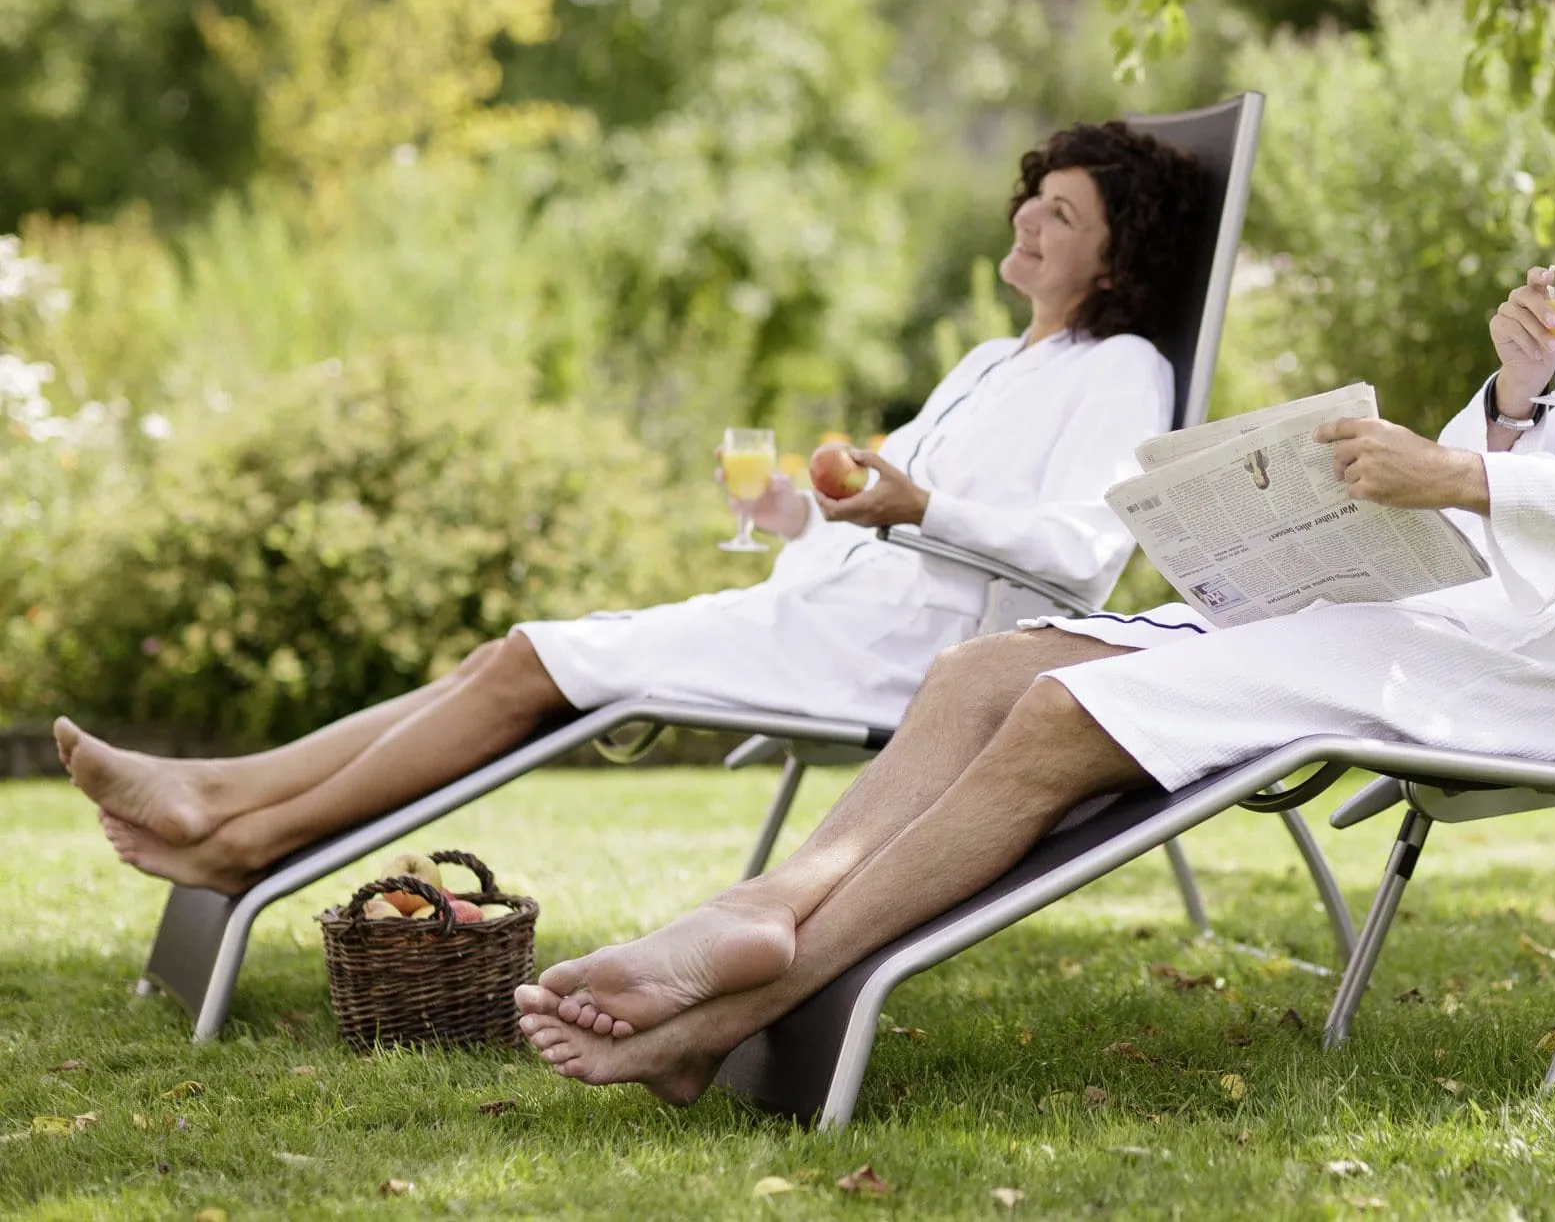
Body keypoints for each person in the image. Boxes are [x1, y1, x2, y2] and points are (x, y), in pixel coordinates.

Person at [509, 42, 1555, 1100]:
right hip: (1448, 610)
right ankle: (761, 908)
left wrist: (1465, 470)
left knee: (1059, 711)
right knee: (990, 662)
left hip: (1540, 673)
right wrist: (1521, 395)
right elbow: (1549, 471)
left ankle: (740, 995)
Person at [52, 121, 1213, 895]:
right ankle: (221, 802)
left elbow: (1083, 558)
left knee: (519, 664)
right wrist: (787, 508)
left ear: (1116, 260)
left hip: (900, 661)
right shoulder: (984, 360)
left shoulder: (1121, 375)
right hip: (819, 620)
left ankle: (243, 830)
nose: (1028, 219)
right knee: (495, 662)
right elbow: (868, 505)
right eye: (1033, 199)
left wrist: (919, 506)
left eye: (1062, 214)